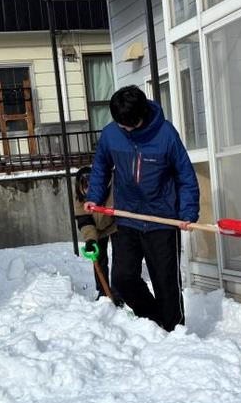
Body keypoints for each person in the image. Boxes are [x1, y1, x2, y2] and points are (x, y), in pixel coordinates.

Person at [84, 85, 200, 332]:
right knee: (123, 279)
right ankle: (152, 318)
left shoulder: (166, 135)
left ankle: (173, 330)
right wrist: (94, 196)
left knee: (166, 282)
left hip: (162, 220)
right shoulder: (111, 134)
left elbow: (185, 175)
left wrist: (188, 212)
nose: (122, 129)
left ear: (141, 116)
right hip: (127, 219)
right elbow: (101, 166)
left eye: (126, 124)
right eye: (118, 123)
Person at [73, 166, 120, 303]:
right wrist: (90, 240)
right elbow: (84, 220)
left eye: (91, 186)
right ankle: (103, 291)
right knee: (99, 258)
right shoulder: (80, 200)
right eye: (85, 187)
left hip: (115, 224)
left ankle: (118, 291)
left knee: (120, 258)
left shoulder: (111, 190)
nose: (89, 191)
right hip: (96, 228)